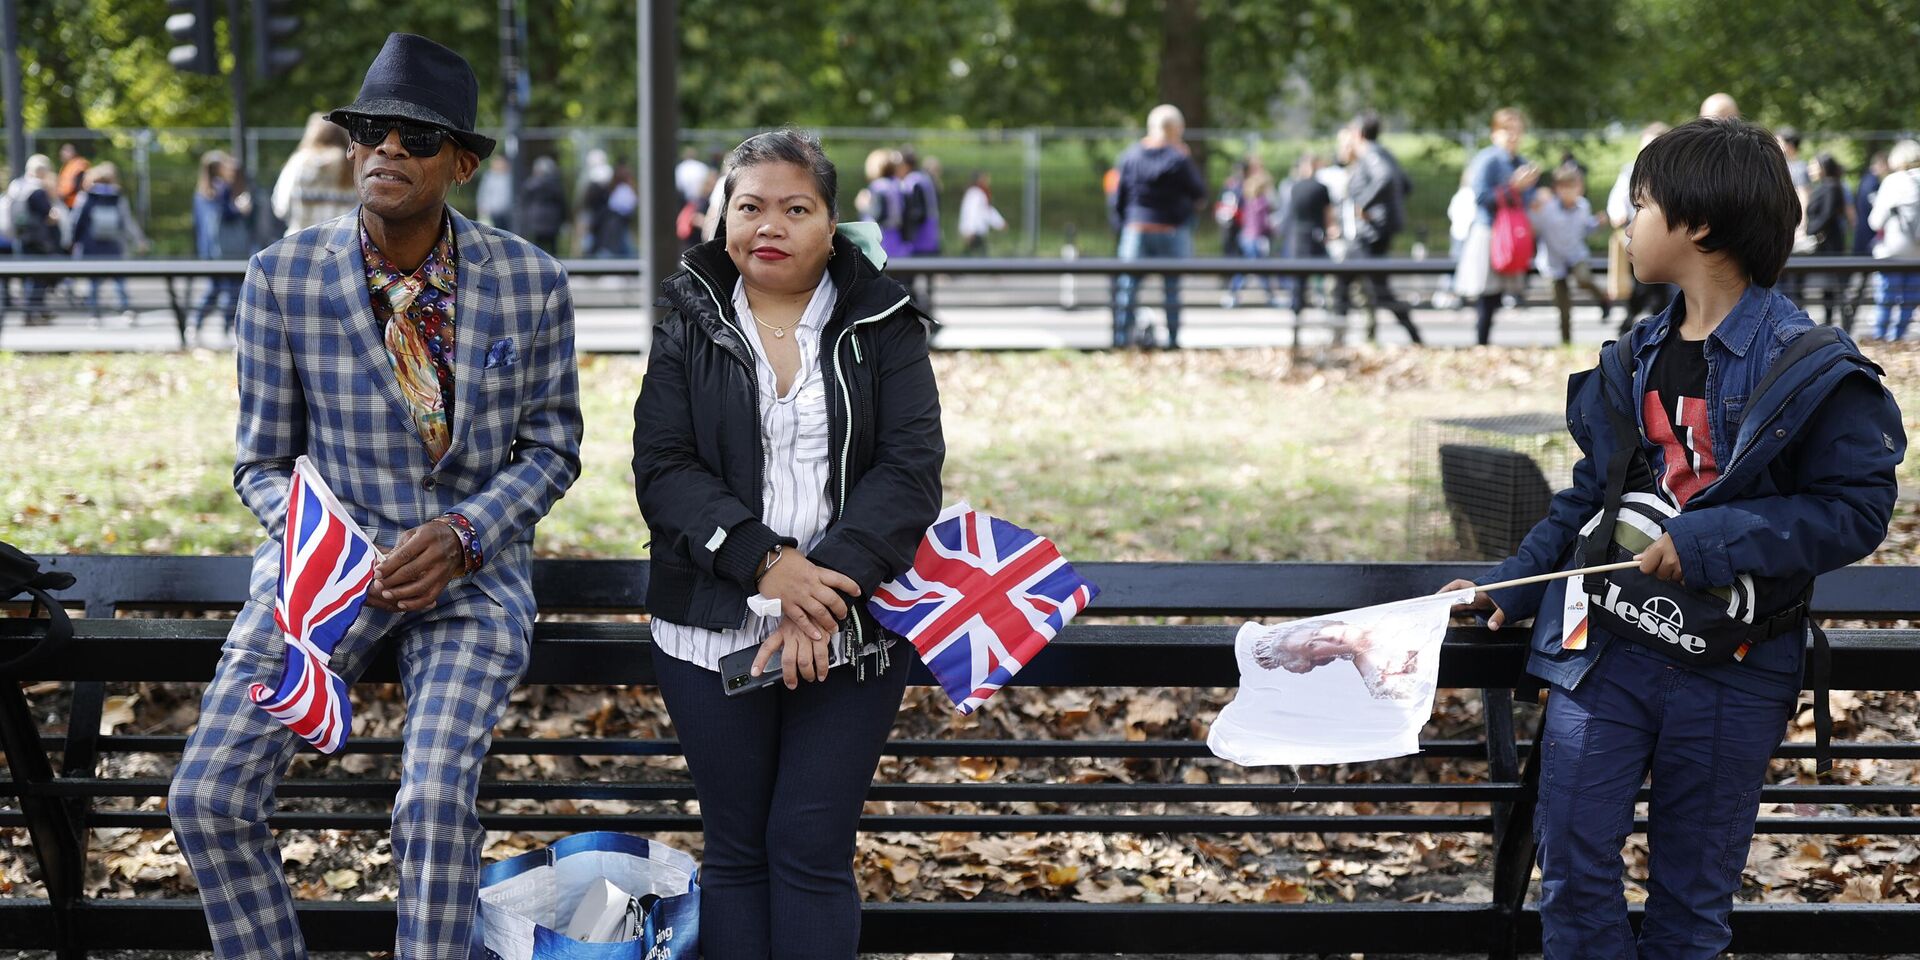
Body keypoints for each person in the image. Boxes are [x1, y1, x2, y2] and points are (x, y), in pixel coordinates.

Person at [1442, 117, 1904, 960]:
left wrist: (1715, 538)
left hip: (1733, 669)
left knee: (1690, 908)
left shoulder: (1811, 367)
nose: (1624, 220)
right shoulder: (1637, 356)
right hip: (1605, 656)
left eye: (1640, 203)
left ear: (1695, 224)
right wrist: (1507, 585)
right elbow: (1592, 496)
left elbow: (1857, 507)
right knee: (1573, 881)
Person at [167, 34, 583, 960]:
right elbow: (260, 464)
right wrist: (326, 541)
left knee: (434, 807)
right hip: (324, 577)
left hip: (467, 587)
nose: (387, 150)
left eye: (417, 136)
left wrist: (466, 534)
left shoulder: (531, 281)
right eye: (368, 131)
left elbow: (553, 448)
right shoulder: (281, 276)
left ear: (462, 163)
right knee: (205, 798)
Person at [632, 128, 943, 960]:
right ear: (720, 217)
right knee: (736, 855)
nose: (769, 225)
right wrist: (770, 565)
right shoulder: (688, 316)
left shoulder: (885, 321)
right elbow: (664, 470)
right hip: (711, 625)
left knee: (808, 847)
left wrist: (820, 592)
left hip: (852, 628)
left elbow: (909, 472)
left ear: (832, 225)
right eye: (750, 207)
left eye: (794, 209)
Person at [1110, 103, 1206, 348]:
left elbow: (1118, 198)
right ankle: (1173, 341)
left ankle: (1121, 340)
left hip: (1136, 229)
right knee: (1172, 290)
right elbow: (1199, 194)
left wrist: (1123, 224)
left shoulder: (1130, 156)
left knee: (1127, 289)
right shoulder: (1178, 159)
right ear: (1175, 129)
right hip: (1171, 231)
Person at [1338, 110, 1423, 344]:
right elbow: (1405, 185)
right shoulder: (1385, 153)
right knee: (1377, 289)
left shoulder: (1370, 153)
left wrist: (1364, 205)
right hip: (1379, 230)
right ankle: (1412, 336)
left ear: (1357, 133)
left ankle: (1338, 337)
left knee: (1347, 281)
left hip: (1370, 233)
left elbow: (1384, 178)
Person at [1456, 108, 1539, 345]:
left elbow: (1526, 200)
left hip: (1514, 233)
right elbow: (1482, 198)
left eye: (1517, 130)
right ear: (1495, 133)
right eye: (1506, 130)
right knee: (1487, 293)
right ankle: (1480, 342)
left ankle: (1484, 342)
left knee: (1499, 294)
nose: (1512, 136)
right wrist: (1513, 185)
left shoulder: (1521, 162)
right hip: (1491, 232)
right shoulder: (1487, 160)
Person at [1531, 163, 1611, 344]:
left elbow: (1585, 228)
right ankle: (1566, 340)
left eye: (1573, 188)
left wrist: (1596, 223)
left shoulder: (1583, 206)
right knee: (1563, 305)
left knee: (1584, 278)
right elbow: (1534, 229)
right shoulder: (1547, 209)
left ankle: (1603, 298)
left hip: (1575, 254)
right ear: (1557, 189)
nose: (1569, 193)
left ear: (1580, 188)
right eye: (1564, 188)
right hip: (1553, 260)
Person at [1608, 122, 1675, 333]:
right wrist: (1617, 212)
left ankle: (1660, 322)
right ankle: (1633, 318)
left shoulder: (1673, 175)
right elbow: (1618, 197)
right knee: (1640, 283)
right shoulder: (1631, 171)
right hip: (1637, 236)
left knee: (1662, 285)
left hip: (1664, 239)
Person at [64, 163, 147, 325]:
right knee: (119, 280)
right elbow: (127, 222)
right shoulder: (117, 197)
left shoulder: (86, 196)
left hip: (91, 246)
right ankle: (126, 309)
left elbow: (76, 222)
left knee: (94, 283)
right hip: (114, 246)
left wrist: (70, 242)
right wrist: (139, 240)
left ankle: (94, 314)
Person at [191, 150, 252, 343]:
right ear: (218, 169)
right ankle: (227, 327)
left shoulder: (202, 191)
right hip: (225, 249)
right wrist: (240, 208)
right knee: (230, 289)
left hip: (209, 249)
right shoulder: (222, 188)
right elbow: (226, 215)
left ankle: (197, 323)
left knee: (215, 288)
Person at [1867, 139, 1920, 340]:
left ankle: (1881, 340)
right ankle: (1898, 338)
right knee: (1910, 300)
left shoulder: (1893, 181)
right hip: (1917, 254)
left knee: (1886, 299)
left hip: (1893, 251)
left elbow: (1875, 221)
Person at [271, 113, 357, 236]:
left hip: (300, 242)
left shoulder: (299, 162)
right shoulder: (352, 164)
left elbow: (281, 206)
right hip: (342, 242)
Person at [5, 154, 62, 325]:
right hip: (38, 240)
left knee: (27, 276)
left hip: (20, 236)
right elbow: (48, 215)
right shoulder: (37, 190)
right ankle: (31, 313)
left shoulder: (17, 185)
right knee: (39, 276)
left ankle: (36, 311)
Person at [1280, 152, 1334, 318]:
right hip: (1315, 235)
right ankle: (1327, 306)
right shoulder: (1321, 188)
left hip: (1297, 237)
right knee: (1325, 273)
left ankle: (1296, 315)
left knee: (1298, 281)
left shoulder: (1294, 187)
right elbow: (1328, 214)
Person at [1802, 153, 1852, 328]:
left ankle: (1835, 320)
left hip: (1830, 243)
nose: (1810, 169)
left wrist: (1809, 230)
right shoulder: (1824, 186)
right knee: (1828, 286)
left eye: (1814, 165)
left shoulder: (1831, 187)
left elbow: (1827, 214)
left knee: (1833, 284)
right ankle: (1829, 319)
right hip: (1824, 242)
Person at [1224, 157, 1279, 307]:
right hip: (1255, 239)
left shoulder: (1249, 200)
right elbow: (1262, 224)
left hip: (1246, 237)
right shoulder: (1261, 203)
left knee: (1246, 269)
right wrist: (1272, 230)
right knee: (1257, 270)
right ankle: (1268, 296)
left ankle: (1233, 294)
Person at [857, 148, 908, 259]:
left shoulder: (878, 187)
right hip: (897, 238)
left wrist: (864, 206)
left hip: (882, 240)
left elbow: (879, 215)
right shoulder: (897, 184)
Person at [517, 155, 568, 254]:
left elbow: (523, 202)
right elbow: (562, 203)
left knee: (537, 248)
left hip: (535, 221)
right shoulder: (556, 184)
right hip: (553, 221)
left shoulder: (530, 184)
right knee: (553, 248)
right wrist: (563, 219)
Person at [898, 147, 942, 256]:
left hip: (919, 240)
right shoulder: (923, 178)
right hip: (931, 235)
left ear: (906, 165)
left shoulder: (912, 182)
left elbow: (916, 213)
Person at [956, 169, 1006, 255]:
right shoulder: (975, 193)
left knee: (972, 255)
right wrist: (969, 231)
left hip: (977, 232)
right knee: (977, 255)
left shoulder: (980, 193)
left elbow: (987, 211)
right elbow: (970, 213)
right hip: (974, 232)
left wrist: (1000, 223)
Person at [595, 163, 638, 257]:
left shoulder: (617, 189)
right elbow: (629, 207)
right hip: (618, 225)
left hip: (616, 225)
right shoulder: (624, 190)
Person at [1855, 152, 1889, 257]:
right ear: (1882, 165)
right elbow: (1876, 207)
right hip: (1869, 229)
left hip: (1862, 225)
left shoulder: (1865, 179)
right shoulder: (1873, 183)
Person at [475, 154, 514, 232]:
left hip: (507, 212)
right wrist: (481, 206)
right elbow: (483, 193)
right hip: (492, 211)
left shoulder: (509, 176)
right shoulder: (489, 176)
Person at [56, 142, 89, 209]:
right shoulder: (66, 166)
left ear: (73, 152)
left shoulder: (79, 164)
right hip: (66, 202)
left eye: (66, 151)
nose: (62, 153)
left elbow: (79, 184)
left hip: (75, 203)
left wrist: (64, 195)